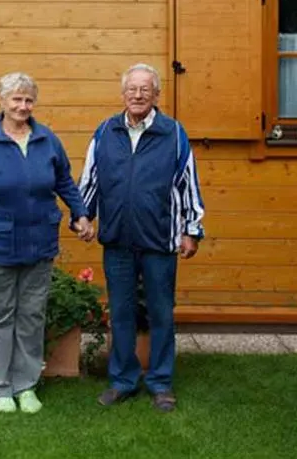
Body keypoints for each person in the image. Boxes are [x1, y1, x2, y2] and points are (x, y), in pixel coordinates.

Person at [0, 71, 94, 414]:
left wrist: (81, 213)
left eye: (28, 100)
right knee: (0, 317)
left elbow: (65, 182)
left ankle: (26, 385)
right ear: (1, 101)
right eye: (16, 99)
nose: (23, 106)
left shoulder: (47, 140)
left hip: (39, 243)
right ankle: (2, 388)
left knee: (31, 316)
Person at [80, 63, 204, 413]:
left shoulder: (173, 133)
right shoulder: (105, 132)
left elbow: (188, 184)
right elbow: (89, 180)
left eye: (145, 90)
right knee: (120, 313)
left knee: (161, 313)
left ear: (156, 95)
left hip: (160, 241)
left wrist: (191, 230)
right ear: (122, 94)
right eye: (132, 89)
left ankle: (161, 383)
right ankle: (122, 381)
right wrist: (84, 216)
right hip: (117, 239)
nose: (137, 95)